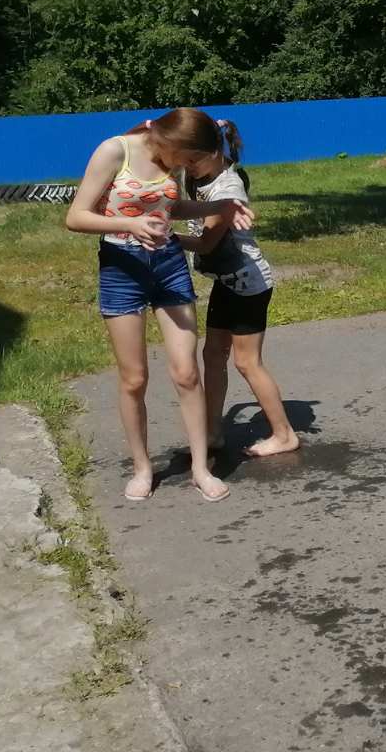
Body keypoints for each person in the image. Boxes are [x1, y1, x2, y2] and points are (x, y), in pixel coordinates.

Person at [64, 107, 254, 502]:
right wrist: (129, 224)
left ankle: (200, 469)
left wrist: (220, 207)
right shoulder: (114, 151)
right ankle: (142, 468)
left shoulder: (172, 159)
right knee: (134, 379)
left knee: (187, 373)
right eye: (187, 159)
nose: (186, 168)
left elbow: (173, 207)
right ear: (171, 142)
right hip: (121, 267)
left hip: (168, 264)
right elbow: (76, 217)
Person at [175, 119, 299, 459]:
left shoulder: (228, 188)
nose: (188, 167)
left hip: (249, 285)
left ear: (215, 153)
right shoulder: (202, 172)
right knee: (213, 354)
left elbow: (206, 243)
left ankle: (284, 434)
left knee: (247, 362)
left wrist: (165, 237)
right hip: (227, 281)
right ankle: (213, 432)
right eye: (186, 160)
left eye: (193, 160)